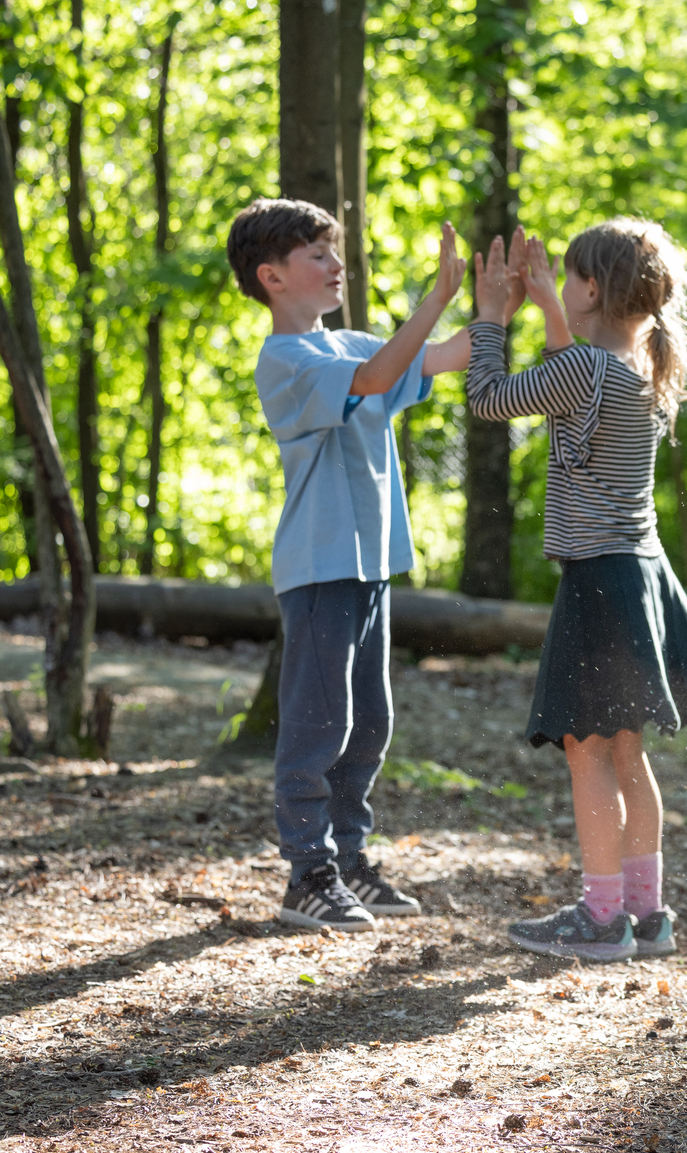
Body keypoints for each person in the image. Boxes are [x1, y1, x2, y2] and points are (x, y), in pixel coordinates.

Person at [227, 198, 515, 932]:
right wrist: (436, 299)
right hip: (319, 565)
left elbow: (444, 358)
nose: (335, 267)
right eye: (317, 256)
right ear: (271, 277)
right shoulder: (285, 359)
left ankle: (349, 857)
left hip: (370, 563)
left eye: (335, 253)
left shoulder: (349, 340)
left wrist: (491, 314)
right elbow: (381, 372)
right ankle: (307, 872)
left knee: (368, 722)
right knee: (317, 722)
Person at [466, 218, 687, 962]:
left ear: (593, 287)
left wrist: (492, 315)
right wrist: (551, 305)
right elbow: (571, 377)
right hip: (640, 574)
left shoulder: (587, 370)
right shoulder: (640, 363)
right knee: (625, 754)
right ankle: (646, 916)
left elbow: (489, 397)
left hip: (599, 580)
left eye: (570, 274)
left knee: (585, 750)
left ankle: (600, 915)